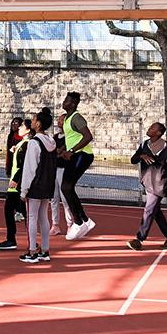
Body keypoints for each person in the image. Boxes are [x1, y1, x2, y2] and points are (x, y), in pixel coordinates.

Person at [126, 122, 167, 251]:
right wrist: (141, 155)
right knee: (155, 212)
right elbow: (133, 160)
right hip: (148, 182)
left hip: (160, 184)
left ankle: (139, 239)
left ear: (158, 133)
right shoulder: (144, 145)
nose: (149, 129)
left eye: (152, 128)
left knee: (149, 210)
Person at [19, 107, 58, 264]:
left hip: (35, 185)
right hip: (48, 184)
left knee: (32, 217)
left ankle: (32, 251)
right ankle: (45, 250)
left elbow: (30, 168)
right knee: (43, 217)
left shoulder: (34, 143)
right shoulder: (52, 142)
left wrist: (23, 190)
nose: (32, 122)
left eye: (34, 120)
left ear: (39, 124)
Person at [59, 91, 97, 241]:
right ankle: (84, 220)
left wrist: (72, 151)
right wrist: (63, 150)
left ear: (73, 104)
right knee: (66, 187)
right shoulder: (67, 119)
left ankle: (79, 221)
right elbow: (73, 138)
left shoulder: (76, 117)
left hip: (82, 155)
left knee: (66, 187)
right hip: (75, 155)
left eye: (67, 100)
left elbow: (88, 136)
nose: (64, 102)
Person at [0, 118, 32, 251]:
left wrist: (15, 178)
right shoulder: (23, 143)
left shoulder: (28, 144)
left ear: (28, 129)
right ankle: (12, 239)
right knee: (11, 209)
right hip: (16, 183)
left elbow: (24, 165)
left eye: (21, 126)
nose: (19, 127)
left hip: (19, 183)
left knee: (26, 213)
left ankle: (30, 242)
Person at [48, 113, 74, 237]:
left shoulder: (69, 138)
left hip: (64, 170)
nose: (59, 123)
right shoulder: (55, 137)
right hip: (54, 169)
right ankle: (55, 224)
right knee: (54, 198)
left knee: (65, 199)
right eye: (59, 121)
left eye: (62, 121)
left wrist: (60, 151)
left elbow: (64, 151)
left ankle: (70, 224)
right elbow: (53, 151)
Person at [5, 116, 26, 223]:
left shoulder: (24, 141)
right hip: (13, 168)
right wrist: (8, 168)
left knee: (16, 193)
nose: (14, 125)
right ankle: (19, 211)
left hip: (19, 169)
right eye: (13, 123)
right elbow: (8, 154)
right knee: (14, 194)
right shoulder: (11, 136)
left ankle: (20, 212)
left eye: (17, 123)